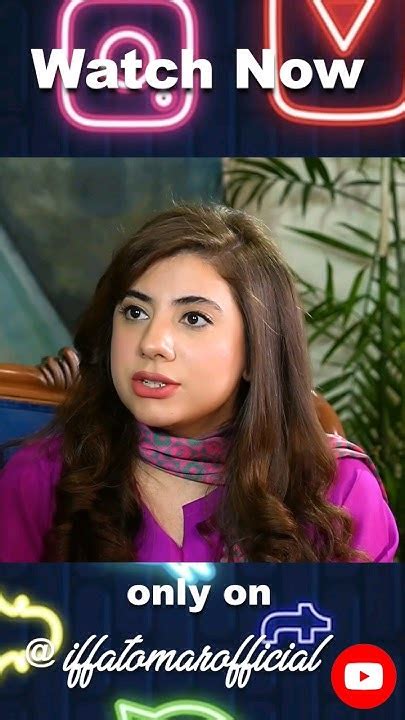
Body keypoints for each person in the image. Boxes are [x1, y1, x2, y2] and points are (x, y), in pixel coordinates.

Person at [0, 204, 399, 562]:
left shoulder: (339, 490)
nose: (152, 343)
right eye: (135, 312)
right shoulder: (42, 476)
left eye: (193, 318)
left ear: (255, 353)